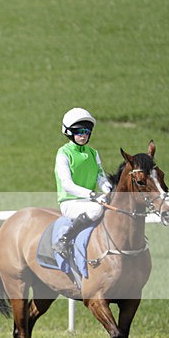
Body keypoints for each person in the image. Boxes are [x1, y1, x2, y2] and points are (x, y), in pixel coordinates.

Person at [53, 107, 112, 256]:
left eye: (87, 132)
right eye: (79, 131)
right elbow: (67, 184)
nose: (84, 135)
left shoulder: (93, 152)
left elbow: (101, 177)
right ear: (69, 132)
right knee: (96, 209)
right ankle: (64, 240)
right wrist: (92, 195)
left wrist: (108, 191)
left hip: (90, 200)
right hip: (70, 202)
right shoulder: (63, 153)